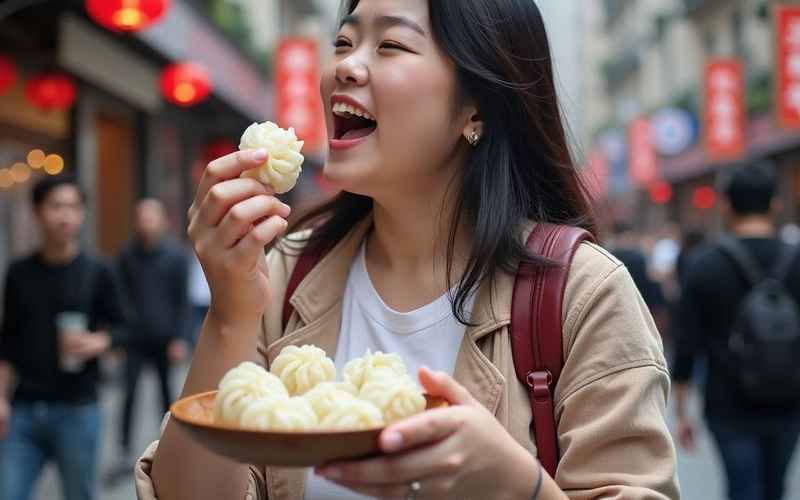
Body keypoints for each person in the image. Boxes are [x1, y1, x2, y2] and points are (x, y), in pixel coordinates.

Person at [136, 1, 679, 499]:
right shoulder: (281, 273)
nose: (345, 68)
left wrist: (517, 484)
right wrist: (230, 311)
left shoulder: (583, 294)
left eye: (390, 45)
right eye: (344, 43)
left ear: (476, 110)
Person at [673, 162, 800, 500]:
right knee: (776, 488)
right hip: (789, 399)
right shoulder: (797, 259)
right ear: (775, 204)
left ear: (726, 205)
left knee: (742, 489)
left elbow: (686, 344)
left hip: (727, 403)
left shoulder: (705, 263)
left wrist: (682, 411)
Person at [0, 175, 127, 500]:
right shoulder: (19, 273)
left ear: (83, 214)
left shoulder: (97, 270)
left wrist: (100, 342)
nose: (65, 215)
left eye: (73, 206)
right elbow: (8, 341)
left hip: (78, 409)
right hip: (24, 411)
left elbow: (126, 327)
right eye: (56, 206)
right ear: (37, 211)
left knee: (79, 494)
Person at [113, 199, 190, 475]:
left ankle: (169, 449)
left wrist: (180, 338)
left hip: (164, 337)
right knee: (128, 394)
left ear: (163, 221)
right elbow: (119, 298)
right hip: (133, 338)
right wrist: (118, 338)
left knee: (166, 395)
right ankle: (123, 452)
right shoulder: (126, 255)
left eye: (151, 217)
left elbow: (184, 301)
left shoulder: (177, 256)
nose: (146, 223)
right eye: (142, 217)